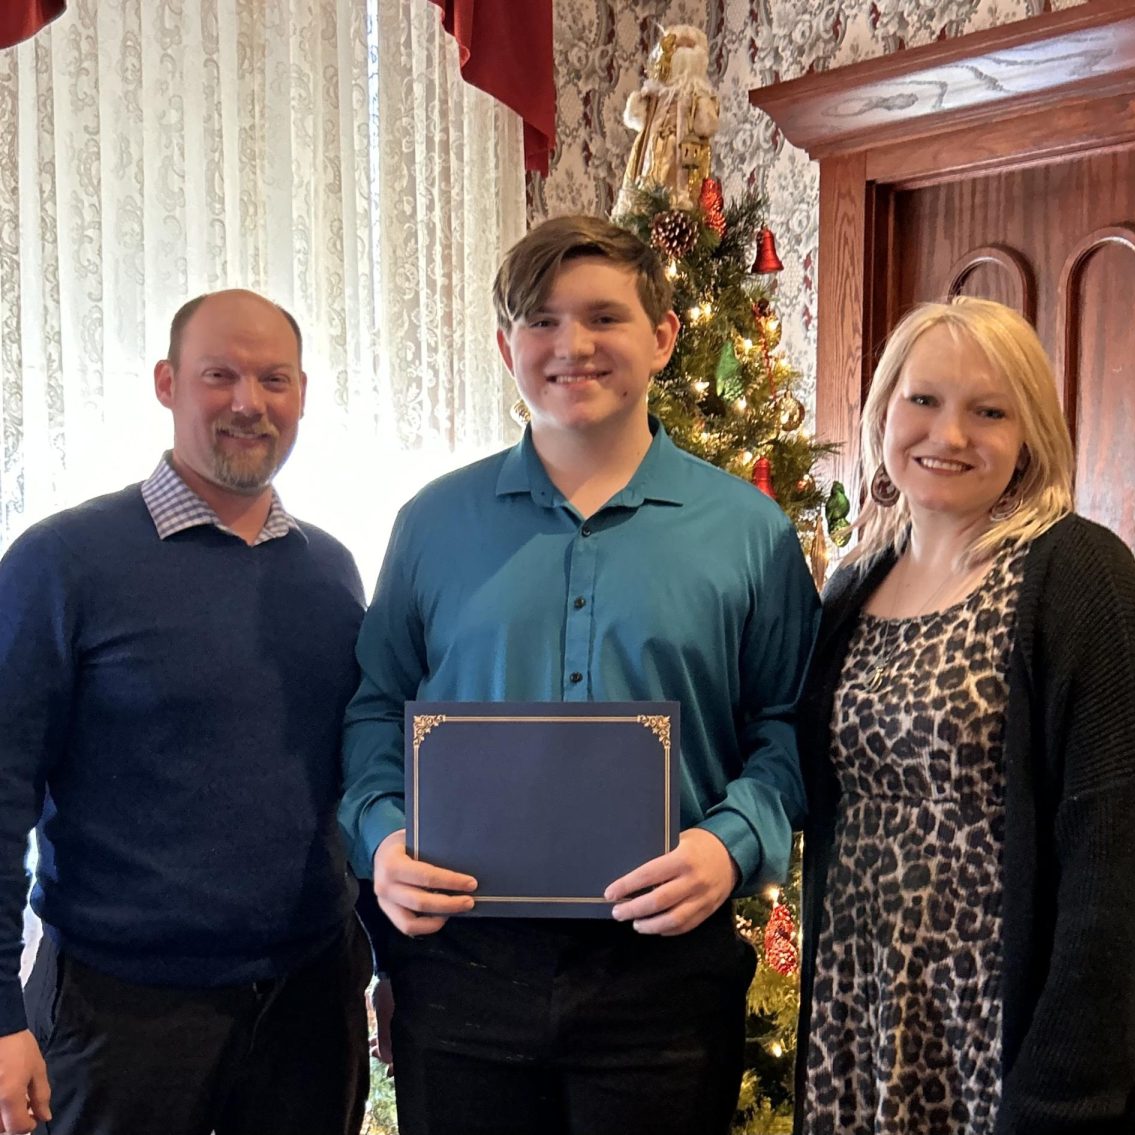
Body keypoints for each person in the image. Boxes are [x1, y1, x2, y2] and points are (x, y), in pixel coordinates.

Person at [339, 214, 819, 1135]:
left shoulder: (748, 532)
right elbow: (373, 713)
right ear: (505, 346)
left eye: (604, 316)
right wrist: (383, 838)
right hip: (461, 966)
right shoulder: (431, 525)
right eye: (542, 322)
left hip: (665, 972)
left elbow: (790, 726)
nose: (573, 346)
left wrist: (729, 843)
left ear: (665, 337)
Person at [794, 297, 1135, 1135]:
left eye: (988, 411)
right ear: (882, 411)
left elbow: (1128, 872)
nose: (948, 436)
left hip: (1014, 1047)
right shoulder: (853, 583)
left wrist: (1062, 1096)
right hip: (863, 1018)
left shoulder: (1085, 579)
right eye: (924, 401)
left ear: (1030, 436)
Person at [0, 290, 372, 1135]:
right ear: (169, 383)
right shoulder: (62, 563)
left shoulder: (332, 572)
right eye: (220, 375)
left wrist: (387, 963)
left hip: (310, 1005)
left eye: (273, 378)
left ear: (303, 394)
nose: (249, 401)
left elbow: (357, 778)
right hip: (119, 1016)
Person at [614, 24, 720, 215]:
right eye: (678, 46)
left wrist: (703, 109)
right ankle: (645, 205)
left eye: (689, 47)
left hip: (684, 149)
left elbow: (706, 126)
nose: (683, 52)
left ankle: (680, 205)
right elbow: (636, 120)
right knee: (652, 174)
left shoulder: (698, 95)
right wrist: (639, 103)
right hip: (655, 146)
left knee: (680, 178)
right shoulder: (656, 93)